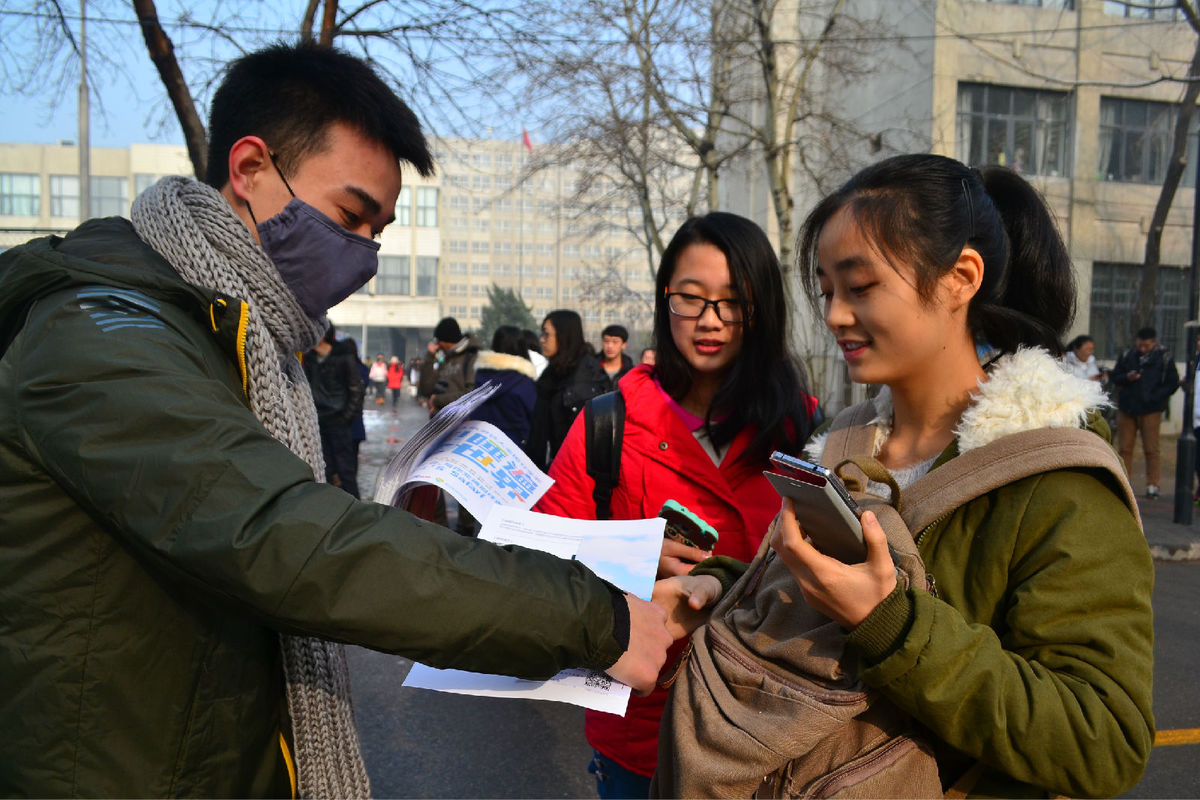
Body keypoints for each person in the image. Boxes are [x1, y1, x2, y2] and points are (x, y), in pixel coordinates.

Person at [0, 42, 672, 798]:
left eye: (378, 232)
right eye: (350, 217)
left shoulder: (254, 342)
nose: (365, 258)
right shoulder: (101, 333)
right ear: (250, 170)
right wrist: (590, 616)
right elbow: (285, 537)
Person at [662, 154, 1154, 798]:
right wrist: (721, 584)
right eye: (828, 290)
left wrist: (893, 625)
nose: (836, 315)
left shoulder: (1055, 476)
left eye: (860, 287)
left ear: (960, 278)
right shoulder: (848, 439)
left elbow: (1105, 739)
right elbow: (817, 606)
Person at [535, 212, 816, 798]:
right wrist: (629, 554)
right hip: (642, 733)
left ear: (761, 311)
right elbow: (537, 560)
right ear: (665, 303)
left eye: (732, 302)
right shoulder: (607, 425)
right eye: (690, 299)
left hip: (768, 731)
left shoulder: (801, 428)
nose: (709, 321)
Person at [456, 325, 539, 536]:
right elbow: (532, 420)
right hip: (515, 460)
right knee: (512, 522)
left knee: (483, 516)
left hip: (483, 454)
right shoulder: (524, 383)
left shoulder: (481, 377)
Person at [525, 309, 611, 471]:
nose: (542, 340)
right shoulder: (553, 373)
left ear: (564, 336)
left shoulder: (585, 376)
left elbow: (583, 440)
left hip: (575, 472)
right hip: (556, 467)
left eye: (547, 334)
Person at [1112, 326, 1179, 498]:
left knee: (1151, 449)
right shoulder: (1128, 355)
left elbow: (1172, 383)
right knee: (1124, 448)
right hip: (1127, 408)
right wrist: (1127, 377)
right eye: (1140, 345)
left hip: (1151, 410)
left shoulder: (1163, 357)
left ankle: (1153, 485)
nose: (1142, 349)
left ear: (1154, 343)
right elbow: (1115, 377)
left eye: (1146, 346)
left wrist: (1155, 397)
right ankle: (1123, 484)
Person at [303, 324, 365, 498]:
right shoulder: (310, 358)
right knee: (324, 469)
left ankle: (356, 510)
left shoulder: (344, 358)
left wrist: (346, 416)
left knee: (346, 471)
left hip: (339, 421)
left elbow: (356, 390)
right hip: (318, 421)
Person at [419, 316, 482, 413]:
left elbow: (472, 395)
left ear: (445, 340)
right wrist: (429, 357)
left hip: (461, 423)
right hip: (441, 422)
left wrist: (437, 400)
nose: (438, 345)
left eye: (439, 341)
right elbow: (426, 390)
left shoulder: (471, 358)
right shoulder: (446, 359)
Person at [598, 323, 634, 389]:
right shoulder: (591, 369)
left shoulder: (630, 372)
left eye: (615, 342)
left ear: (624, 345)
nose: (610, 346)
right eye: (606, 341)